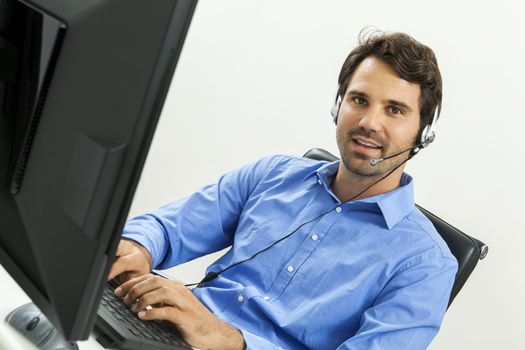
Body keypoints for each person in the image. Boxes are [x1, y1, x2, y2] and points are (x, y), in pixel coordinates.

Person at [108, 30, 458, 350]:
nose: (369, 123)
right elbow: (166, 227)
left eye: (394, 110)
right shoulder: (273, 174)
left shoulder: (426, 265)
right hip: (164, 335)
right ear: (338, 105)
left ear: (423, 133)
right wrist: (139, 249)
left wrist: (229, 339)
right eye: (359, 100)